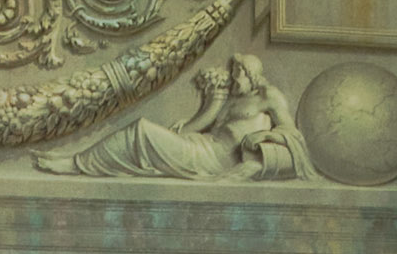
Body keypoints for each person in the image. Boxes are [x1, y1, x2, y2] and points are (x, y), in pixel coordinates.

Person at [38, 53, 314, 181]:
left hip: (213, 162)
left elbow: (293, 135)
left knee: (141, 131)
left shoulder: (270, 96)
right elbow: (205, 124)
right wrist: (188, 125)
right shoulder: (232, 98)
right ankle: (79, 161)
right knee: (144, 137)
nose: (233, 77)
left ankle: (77, 163)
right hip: (200, 147)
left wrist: (264, 136)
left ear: (252, 75)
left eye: (239, 72)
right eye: (233, 71)